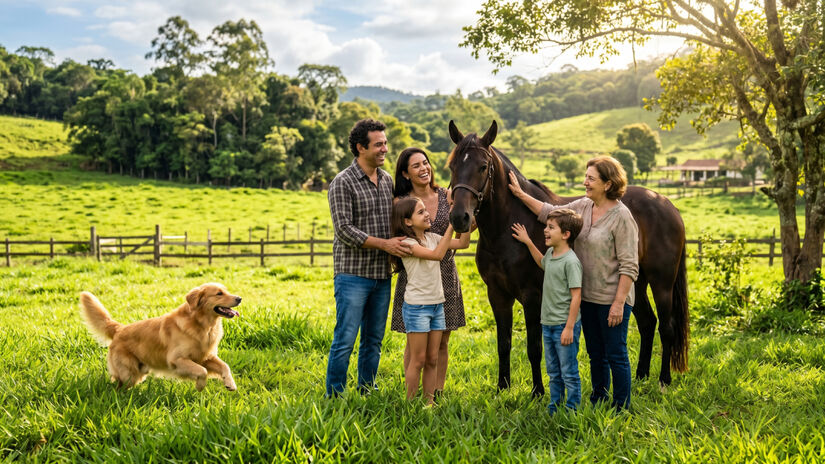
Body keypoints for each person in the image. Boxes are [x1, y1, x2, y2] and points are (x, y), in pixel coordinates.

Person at [508, 156, 639, 411]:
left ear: (608, 184)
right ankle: (599, 399)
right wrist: (520, 194)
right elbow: (548, 211)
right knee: (595, 354)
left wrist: (618, 304)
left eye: (591, 178)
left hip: (613, 299)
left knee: (616, 355)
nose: (585, 182)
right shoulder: (584, 206)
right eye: (586, 177)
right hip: (587, 298)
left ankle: (621, 406)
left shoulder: (622, 217)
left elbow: (629, 265)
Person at [325, 118, 412, 397]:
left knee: (374, 340)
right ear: (361, 147)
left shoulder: (387, 181)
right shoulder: (342, 182)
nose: (385, 149)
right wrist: (386, 245)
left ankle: (367, 389)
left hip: (381, 275)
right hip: (352, 275)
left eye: (385, 143)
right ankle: (335, 394)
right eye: (378, 144)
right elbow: (344, 230)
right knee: (345, 339)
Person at [391, 147, 466, 399]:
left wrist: (465, 216)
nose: (424, 168)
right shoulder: (402, 203)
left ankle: (436, 392)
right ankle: (411, 394)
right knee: (415, 347)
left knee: (442, 340)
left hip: (445, 276)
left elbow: (462, 234)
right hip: (416, 278)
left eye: (426, 163)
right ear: (405, 173)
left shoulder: (447, 195)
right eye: (416, 166)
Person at [511, 209, 584, 415]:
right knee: (553, 371)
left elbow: (576, 296)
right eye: (546, 226)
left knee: (568, 371)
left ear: (566, 234)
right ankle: (555, 406)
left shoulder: (571, 262)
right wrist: (527, 241)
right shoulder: (552, 254)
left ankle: (572, 409)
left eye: (551, 227)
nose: (545, 230)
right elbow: (542, 262)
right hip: (548, 324)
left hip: (564, 325)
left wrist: (570, 327)